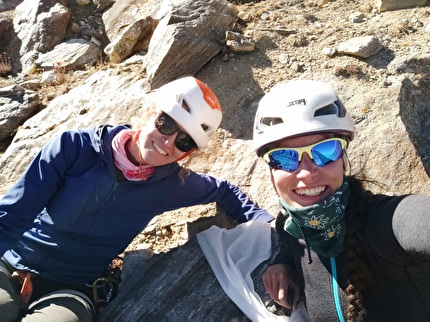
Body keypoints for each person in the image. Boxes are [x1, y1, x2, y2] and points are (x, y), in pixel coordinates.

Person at [0, 76, 274, 322]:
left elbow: (225, 190)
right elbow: (13, 213)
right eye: (165, 123)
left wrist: (269, 226)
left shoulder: (171, 185)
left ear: (187, 152)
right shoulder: (74, 148)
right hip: (11, 263)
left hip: (72, 289)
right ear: (148, 113)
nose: (168, 142)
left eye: (184, 141)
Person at [253, 79, 430, 322]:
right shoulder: (290, 223)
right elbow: (287, 242)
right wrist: (282, 263)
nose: (306, 172)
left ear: (343, 156)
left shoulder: (384, 224)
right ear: (270, 170)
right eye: (284, 158)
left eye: (325, 151)